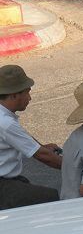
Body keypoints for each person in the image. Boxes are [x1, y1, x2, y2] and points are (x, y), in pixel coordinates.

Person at [0, 65, 62, 210]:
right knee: (51, 197)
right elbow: (43, 156)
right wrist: (75, 168)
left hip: (8, 180)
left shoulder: (4, 116)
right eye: (27, 93)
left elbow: (20, 136)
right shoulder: (6, 123)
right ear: (14, 94)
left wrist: (40, 145)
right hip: (3, 184)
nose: (30, 98)